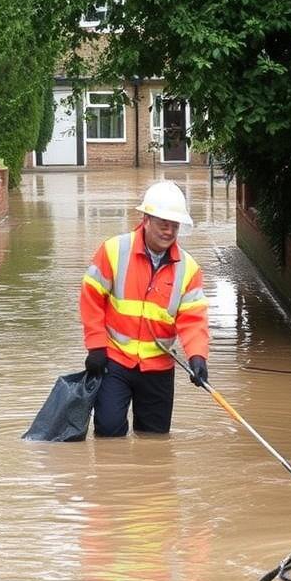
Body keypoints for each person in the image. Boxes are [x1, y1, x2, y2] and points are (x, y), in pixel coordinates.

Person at [80, 180, 209, 437]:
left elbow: (193, 319)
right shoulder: (114, 250)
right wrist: (96, 346)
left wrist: (198, 357)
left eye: (174, 225)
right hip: (115, 361)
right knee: (108, 432)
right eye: (163, 224)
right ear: (146, 219)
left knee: (155, 440)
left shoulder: (189, 268)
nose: (169, 231)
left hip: (159, 367)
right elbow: (91, 297)